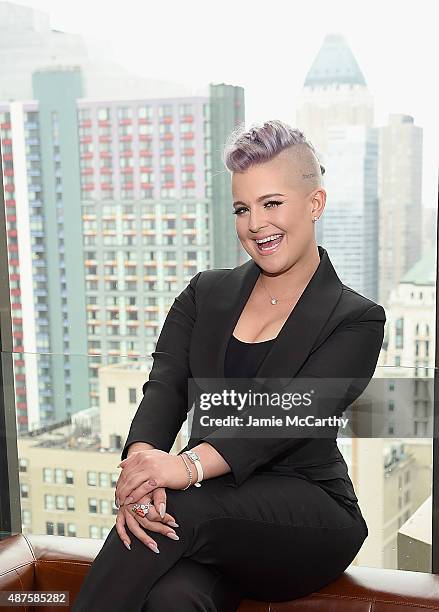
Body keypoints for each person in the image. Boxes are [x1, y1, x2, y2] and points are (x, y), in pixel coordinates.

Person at [72, 120, 386, 611]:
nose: (256, 223)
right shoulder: (204, 294)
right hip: (206, 513)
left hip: (307, 517)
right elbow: (166, 388)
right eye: (243, 208)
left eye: (272, 203)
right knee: (175, 599)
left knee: (182, 506)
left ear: (315, 204)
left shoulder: (356, 318)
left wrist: (183, 466)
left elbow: (285, 416)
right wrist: (140, 468)